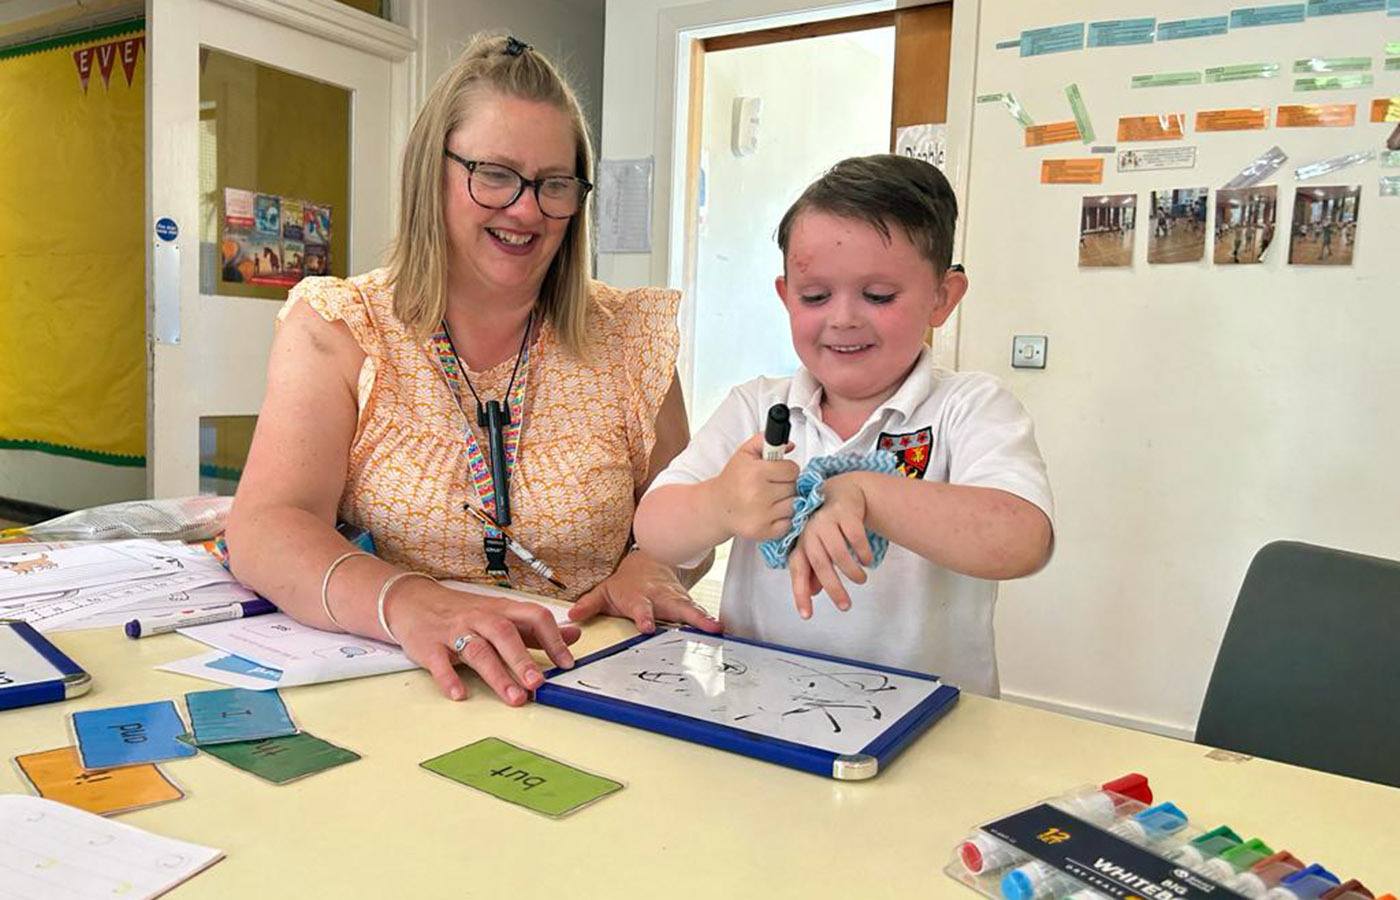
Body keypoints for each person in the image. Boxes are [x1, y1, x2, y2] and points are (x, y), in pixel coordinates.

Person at [225, 34, 718, 707]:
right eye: (494, 174)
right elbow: (266, 526)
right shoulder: (342, 325)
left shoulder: (632, 338)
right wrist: (406, 600)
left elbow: (687, 522)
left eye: (555, 184)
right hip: (403, 682)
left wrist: (652, 564)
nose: (526, 209)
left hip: (586, 683)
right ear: (434, 172)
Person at [632, 155, 1054, 696]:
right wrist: (721, 504)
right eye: (815, 296)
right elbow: (655, 532)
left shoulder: (968, 407)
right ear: (786, 297)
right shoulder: (755, 407)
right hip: (761, 712)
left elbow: (1022, 539)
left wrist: (864, 494)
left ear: (942, 298)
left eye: (878, 296)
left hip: (928, 729)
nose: (843, 318)